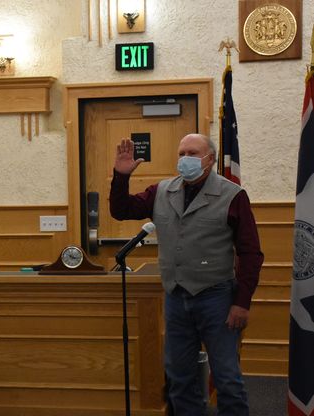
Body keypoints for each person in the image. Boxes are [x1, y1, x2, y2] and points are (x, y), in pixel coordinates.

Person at [109, 134, 264, 415]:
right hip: (176, 298)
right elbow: (121, 210)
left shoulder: (232, 195)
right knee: (180, 379)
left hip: (217, 297)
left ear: (211, 159)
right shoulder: (162, 191)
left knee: (227, 378)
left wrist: (242, 302)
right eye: (181, 153)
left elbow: (251, 253)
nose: (185, 159)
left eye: (192, 153)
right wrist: (121, 177)